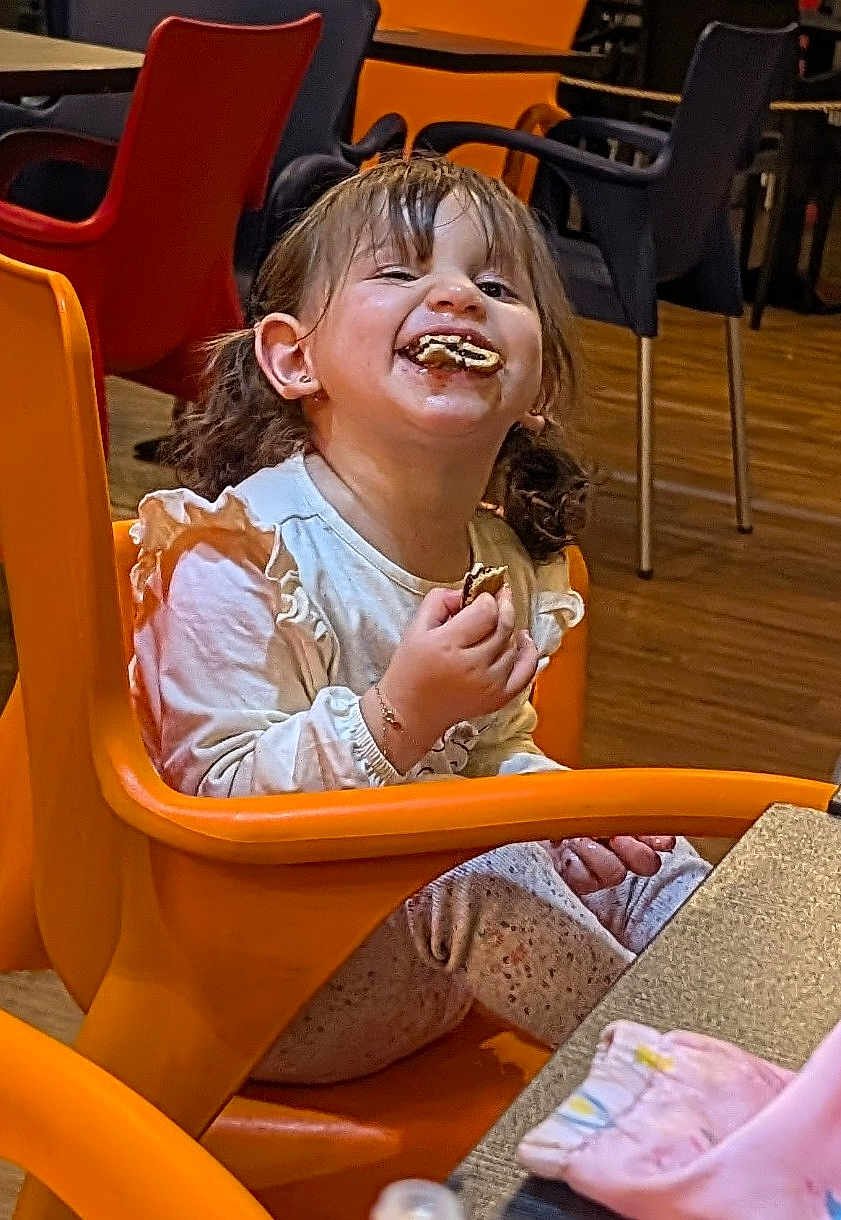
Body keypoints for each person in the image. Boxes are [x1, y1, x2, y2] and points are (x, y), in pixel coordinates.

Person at [130, 156, 708, 1084]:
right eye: (399, 272)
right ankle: (686, 1087)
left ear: (536, 389)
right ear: (294, 358)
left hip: (432, 979)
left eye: (495, 287)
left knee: (646, 847)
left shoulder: (506, 560)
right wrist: (398, 714)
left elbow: (488, 756)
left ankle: (779, 1042)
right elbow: (215, 807)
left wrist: (559, 814)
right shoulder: (239, 553)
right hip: (265, 991)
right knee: (469, 866)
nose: (457, 297)